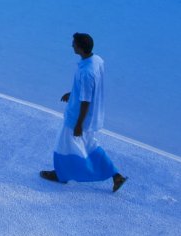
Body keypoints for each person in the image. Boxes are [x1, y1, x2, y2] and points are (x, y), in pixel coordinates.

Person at [40, 32, 126, 192]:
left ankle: (61, 175)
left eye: (74, 43)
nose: (72, 45)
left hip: (78, 116)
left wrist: (79, 124)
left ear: (80, 47)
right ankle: (116, 175)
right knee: (91, 145)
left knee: (62, 145)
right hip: (91, 115)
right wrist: (72, 94)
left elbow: (86, 101)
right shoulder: (97, 60)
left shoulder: (86, 73)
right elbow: (89, 90)